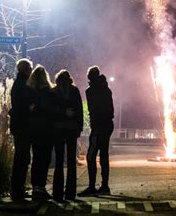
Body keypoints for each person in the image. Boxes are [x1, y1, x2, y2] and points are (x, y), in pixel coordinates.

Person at [78, 66, 114, 196]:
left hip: (98, 126)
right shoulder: (107, 89)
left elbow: (93, 111)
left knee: (91, 156)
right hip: (108, 124)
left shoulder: (90, 91)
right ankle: (105, 185)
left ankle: (92, 186)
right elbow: (110, 110)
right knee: (104, 154)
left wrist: (95, 125)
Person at [52, 70, 83, 201]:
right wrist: (79, 128)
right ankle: (70, 193)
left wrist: (61, 113)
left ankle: (57, 193)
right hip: (71, 129)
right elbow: (79, 110)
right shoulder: (74, 91)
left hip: (58, 129)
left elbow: (51, 110)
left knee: (59, 161)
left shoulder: (53, 92)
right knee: (71, 161)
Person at [27, 65, 55, 200]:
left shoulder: (30, 91)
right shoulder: (48, 92)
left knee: (36, 158)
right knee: (44, 159)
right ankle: (41, 187)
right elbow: (50, 110)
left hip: (33, 130)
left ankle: (35, 187)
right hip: (47, 130)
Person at [9, 58, 33, 200]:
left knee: (21, 157)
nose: (31, 71)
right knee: (22, 158)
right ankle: (18, 189)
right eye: (30, 68)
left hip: (19, 126)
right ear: (26, 69)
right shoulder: (23, 85)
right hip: (22, 126)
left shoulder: (19, 83)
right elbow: (22, 106)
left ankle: (17, 188)